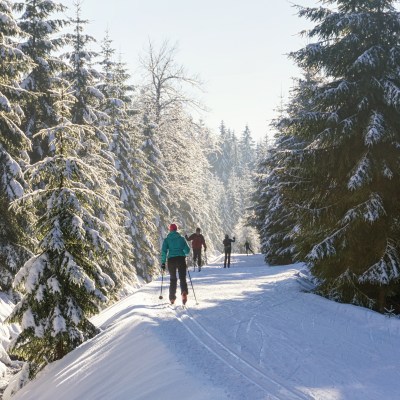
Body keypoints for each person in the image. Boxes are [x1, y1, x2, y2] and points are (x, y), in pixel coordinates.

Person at [161, 223, 190, 305]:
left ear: (170, 230)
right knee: (182, 278)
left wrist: (163, 262)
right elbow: (187, 250)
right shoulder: (181, 239)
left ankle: (172, 298)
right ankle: (184, 292)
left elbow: (164, 251)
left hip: (171, 260)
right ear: (176, 230)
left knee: (173, 279)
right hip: (181, 259)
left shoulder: (167, 239)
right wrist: (182, 251)